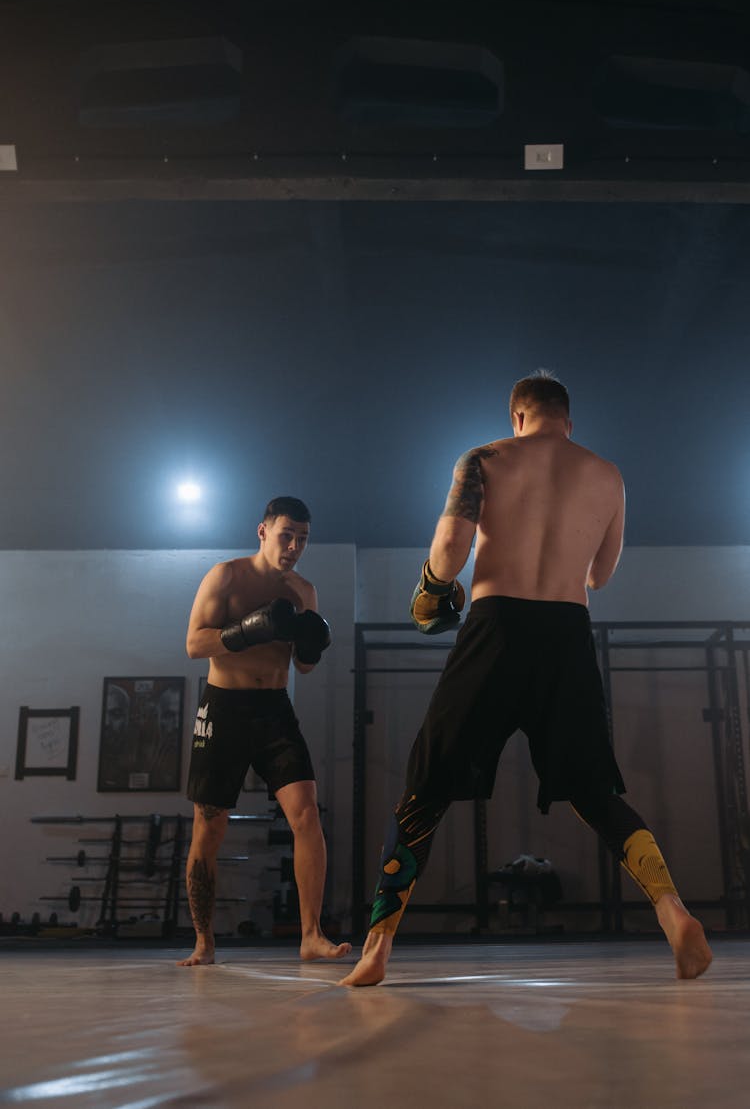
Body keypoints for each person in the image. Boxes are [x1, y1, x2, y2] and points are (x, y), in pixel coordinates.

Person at [341, 372, 712, 986]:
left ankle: (376, 949)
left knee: (425, 787)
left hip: (496, 625)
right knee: (595, 793)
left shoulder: (484, 458)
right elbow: (601, 577)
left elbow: (452, 541)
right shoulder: (608, 474)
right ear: (569, 420)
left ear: (516, 417)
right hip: (567, 633)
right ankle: (674, 913)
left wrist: (433, 587)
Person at [178, 496, 351, 966]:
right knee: (209, 825)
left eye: (302, 539)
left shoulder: (303, 592)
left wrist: (312, 648)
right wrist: (246, 632)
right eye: (286, 535)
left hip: (274, 708)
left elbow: (305, 667)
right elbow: (195, 643)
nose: (294, 546)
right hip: (224, 707)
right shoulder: (226, 576)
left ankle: (311, 935)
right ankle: (204, 942)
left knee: (306, 814)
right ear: (262, 531)